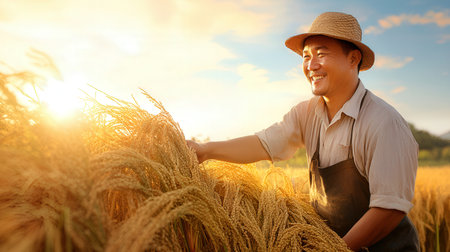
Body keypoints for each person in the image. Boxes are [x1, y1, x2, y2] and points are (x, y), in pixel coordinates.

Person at [187, 12, 420, 251]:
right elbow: (263, 143)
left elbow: (389, 210)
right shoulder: (306, 113)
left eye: (321, 54)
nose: (311, 65)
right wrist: (205, 150)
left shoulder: (384, 123)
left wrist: (332, 249)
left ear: (353, 59)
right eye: (306, 56)